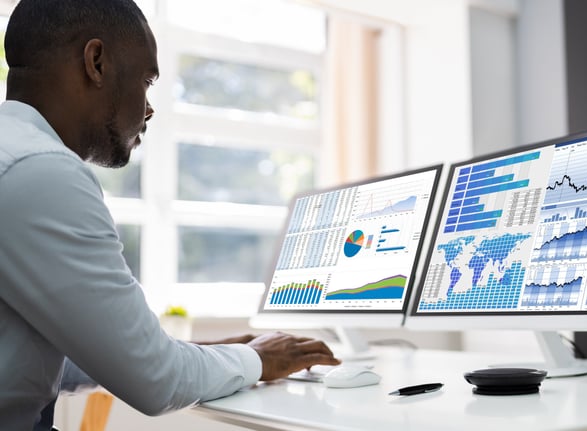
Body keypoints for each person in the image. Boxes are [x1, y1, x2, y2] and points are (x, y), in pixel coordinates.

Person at [0, 0, 340, 429]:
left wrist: (200, 351)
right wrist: (258, 358)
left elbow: (44, 361)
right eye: (146, 80)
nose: (149, 108)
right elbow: (156, 381)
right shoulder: (40, 171)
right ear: (97, 62)